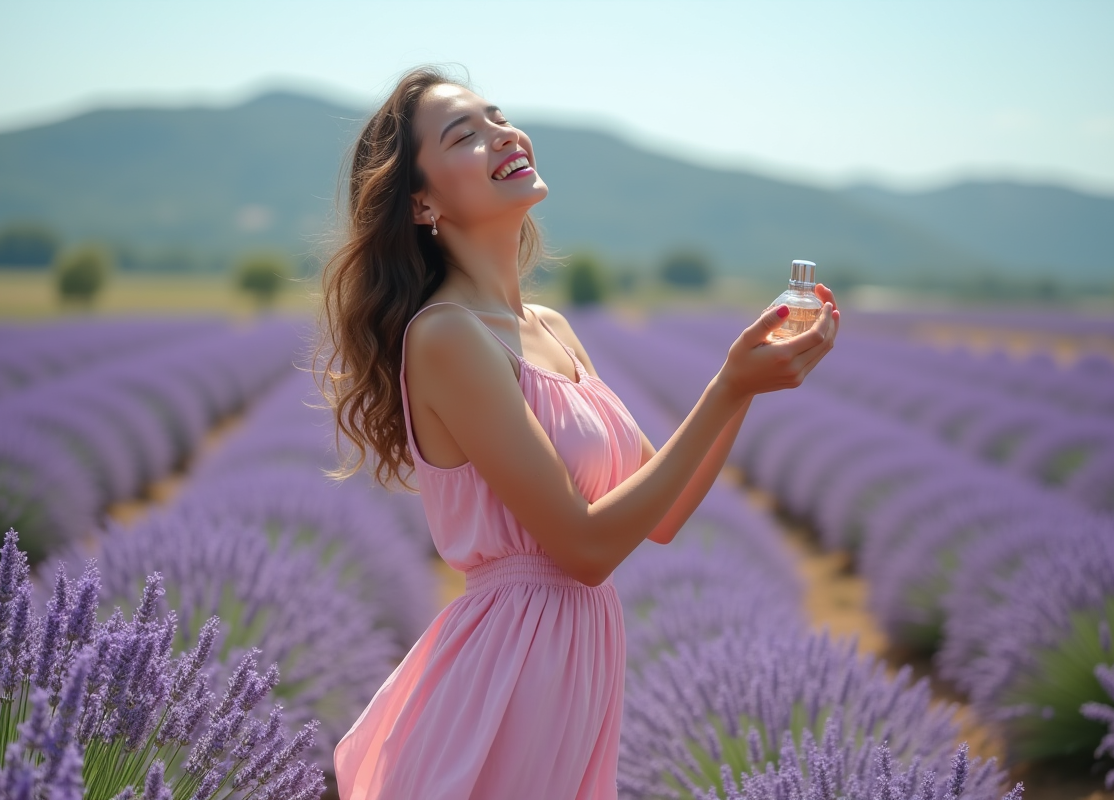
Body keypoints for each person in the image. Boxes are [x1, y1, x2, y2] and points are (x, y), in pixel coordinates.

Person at [313, 65, 840, 800]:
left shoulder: (550, 330)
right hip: (510, 676)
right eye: (466, 135)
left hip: (574, 664)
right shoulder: (447, 337)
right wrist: (729, 387)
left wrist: (742, 384)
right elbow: (586, 549)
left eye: (497, 117)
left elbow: (666, 508)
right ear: (421, 203)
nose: (502, 134)